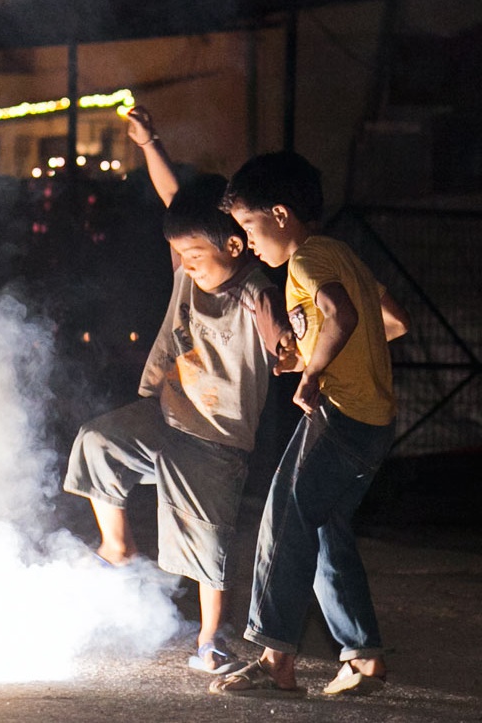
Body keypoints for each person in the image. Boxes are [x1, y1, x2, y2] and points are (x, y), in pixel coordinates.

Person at [62, 107, 294, 675]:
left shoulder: (256, 293)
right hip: (163, 413)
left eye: (196, 257)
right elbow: (176, 203)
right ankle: (117, 547)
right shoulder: (191, 266)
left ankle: (212, 639)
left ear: (236, 248)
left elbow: (285, 348)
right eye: (183, 256)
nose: (187, 267)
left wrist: (290, 348)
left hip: (216, 439)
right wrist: (150, 142)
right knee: (96, 442)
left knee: (207, 546)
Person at [209, 150, 409, 697]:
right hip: (375, 424)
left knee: (283, 515)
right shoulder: (343, 254)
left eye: (249, 226)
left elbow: (342, 314)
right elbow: (391, 321)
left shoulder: (305, 262)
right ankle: (364, 659)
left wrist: (314, 373)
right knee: (324, 528)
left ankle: (275, 657)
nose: (248, 242)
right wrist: (312, 357)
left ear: (279, 214)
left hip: (340, 417)